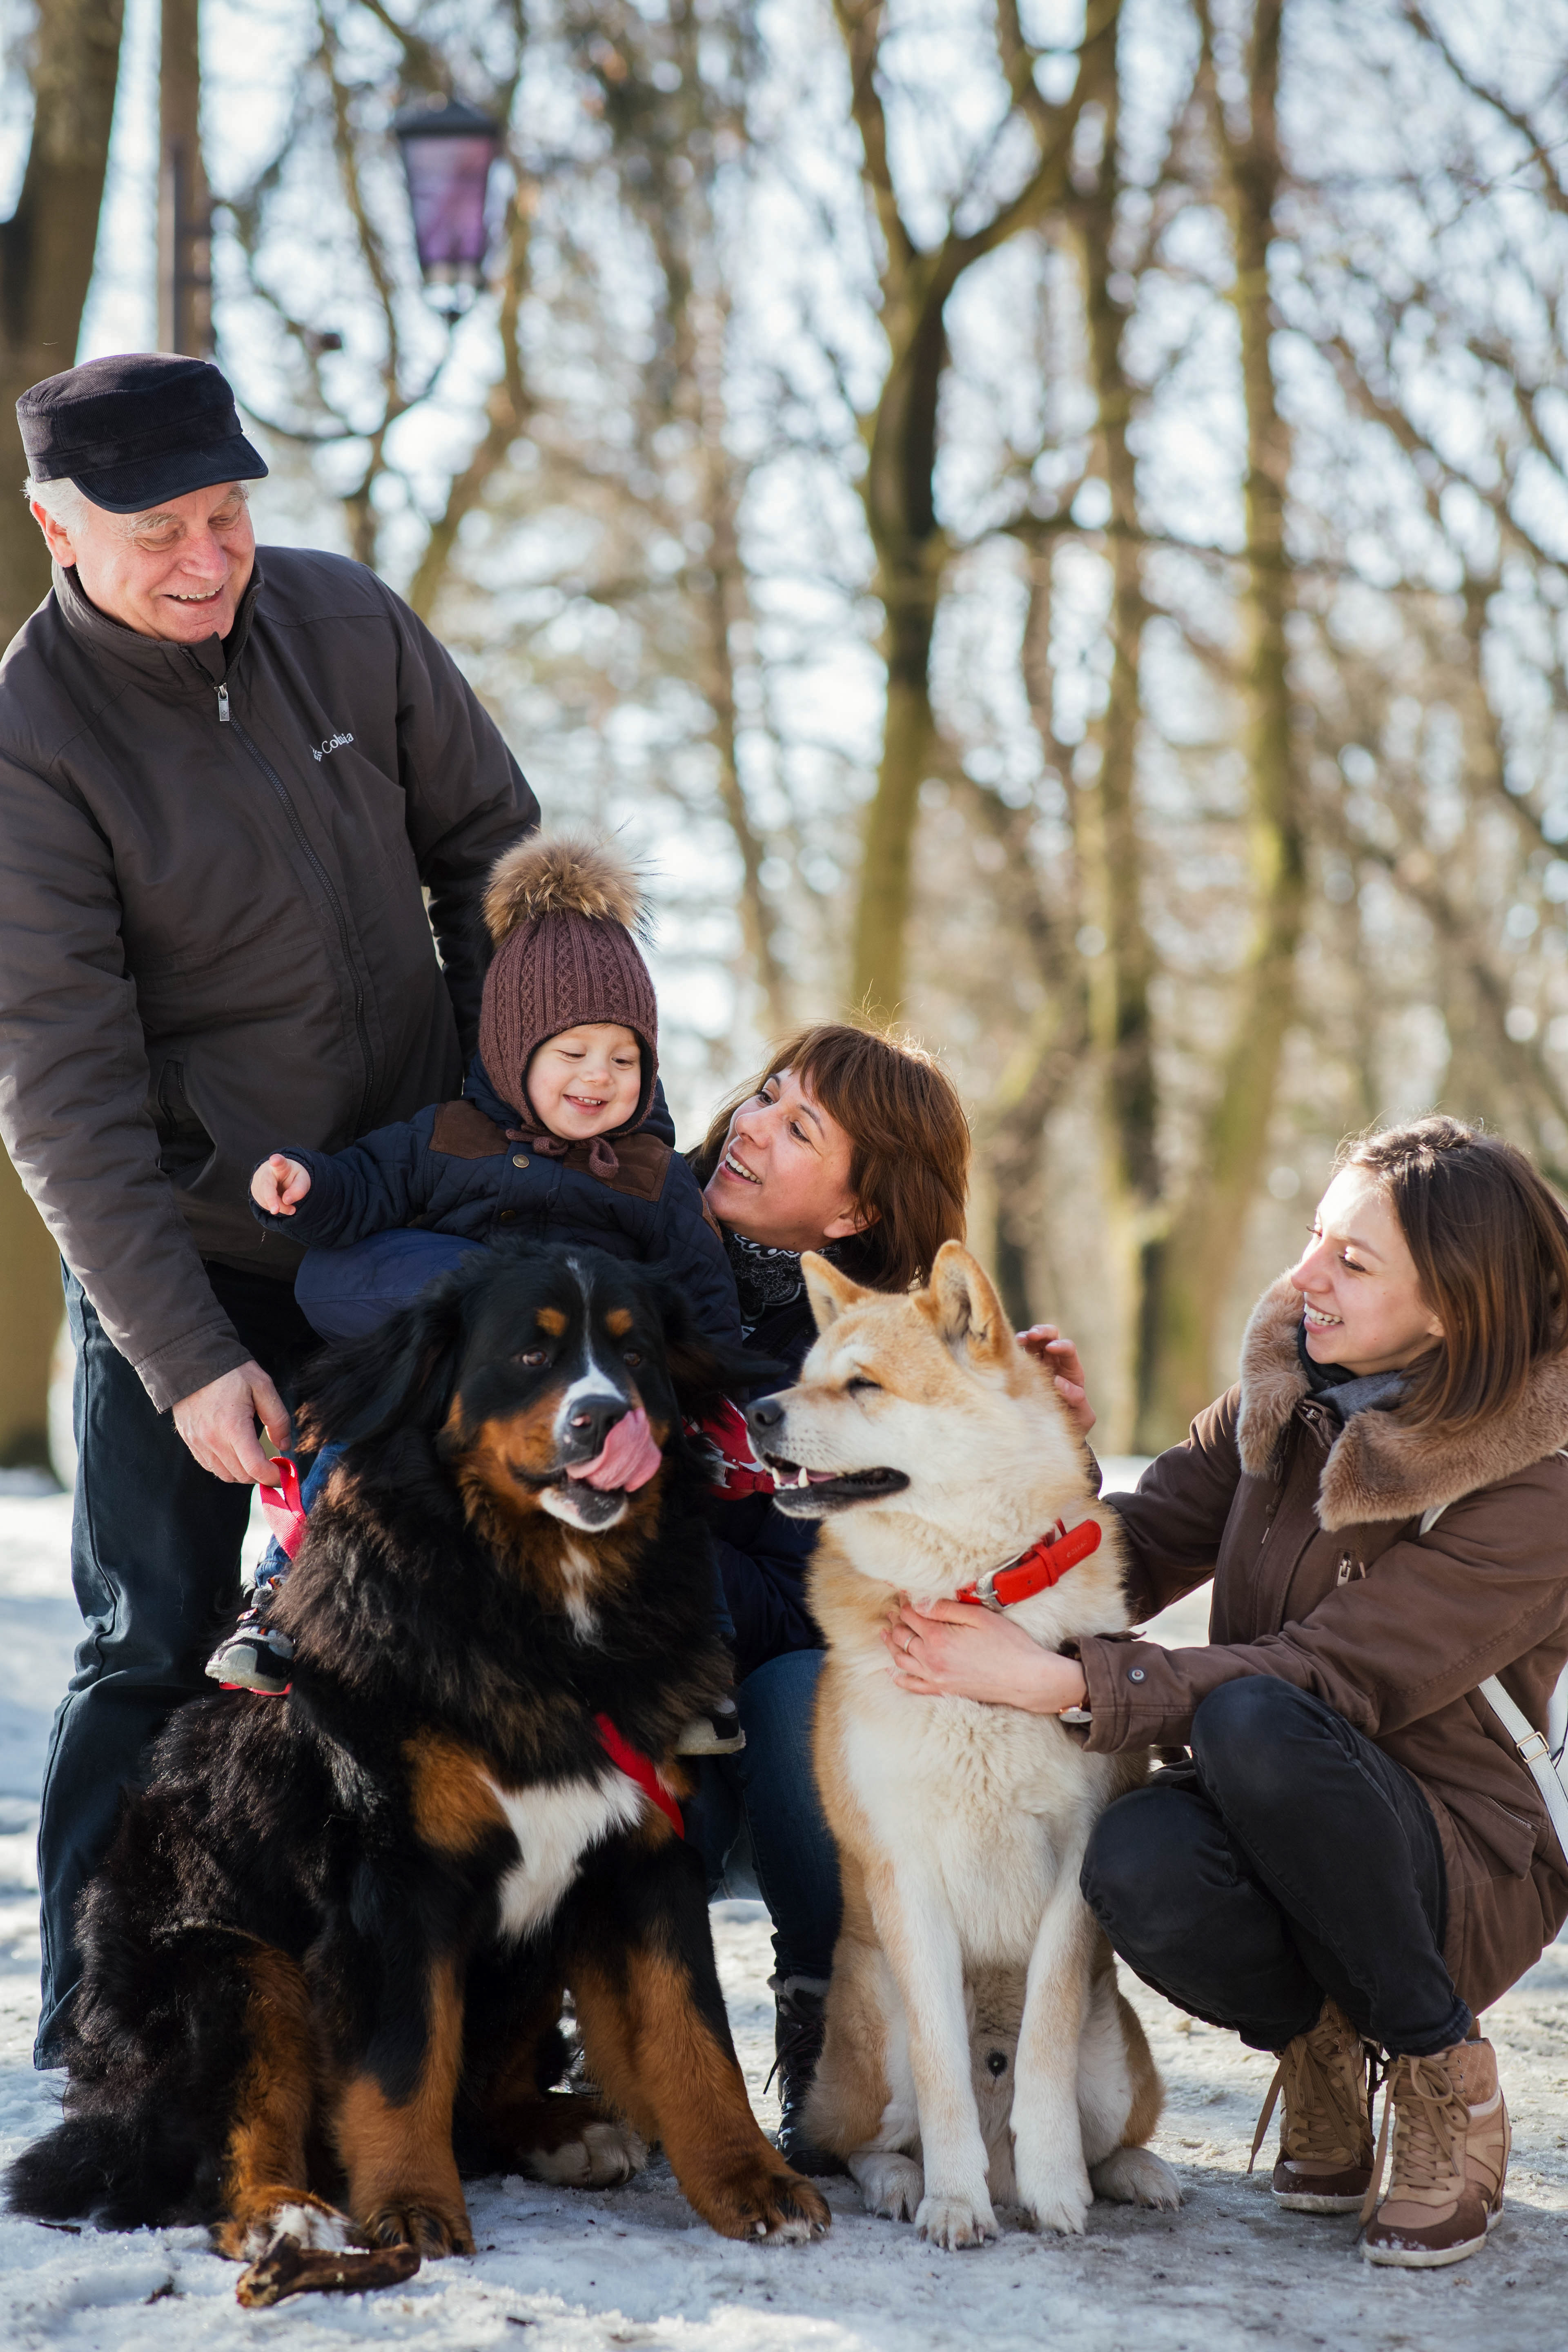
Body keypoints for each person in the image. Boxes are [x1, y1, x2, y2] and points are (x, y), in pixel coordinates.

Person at [0, 353, 538, 2066]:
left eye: (227, 515)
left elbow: (499, 865)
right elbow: (63, 1088)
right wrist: (183, 1360)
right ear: (54, 529)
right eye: (157, 529)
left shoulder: (348, 622)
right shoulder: (28, 749)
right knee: (153, 1638)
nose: (206, 557)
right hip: (189, 1259)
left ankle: (465, 2016)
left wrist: (511, 1116)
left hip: (409, 1238)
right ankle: (94, 2013)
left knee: (447, 1631)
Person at [885, 1116, 1568, 2269]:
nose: (1305, 1276)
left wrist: (1058, 1682)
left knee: (1257, 1720)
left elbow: (1330, 1676)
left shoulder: (1538, 1481)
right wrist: (1034, 1443)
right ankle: (1320, 2048)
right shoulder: (1292, 1388)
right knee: (1137, 1856)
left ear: (1453, 1307)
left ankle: (1445, 2070)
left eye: (1353, 1263)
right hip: (1278, 1807)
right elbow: (1133, 1551)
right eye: (1316, 1237)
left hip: (1461, 1866)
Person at [216, 831, 742, 1701]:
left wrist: (708, 1403)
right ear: (511, 1051)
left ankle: (704, 1662)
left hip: (586, 1384)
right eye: (572, 1055)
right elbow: (364, 1191)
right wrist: (305, 1186)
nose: (598, 1078)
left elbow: (702, 1297)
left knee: (668, 1494)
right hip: (455, 1380)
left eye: (624, 1058)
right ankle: (281, 1595)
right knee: (359, 1420)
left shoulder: (653, 1178)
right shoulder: (448, 1137)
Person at [683, 1020, 980, 2168]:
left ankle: (832, 2020)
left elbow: (825, 1595)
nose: (748, 1126)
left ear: (855, 1214)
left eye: (798, 1126)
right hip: (608, 1696)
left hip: (763, 1722)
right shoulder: (628, 1231)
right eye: (765, 1095)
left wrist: (667, 1570)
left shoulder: (885, 1364)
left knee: (818, 1683)